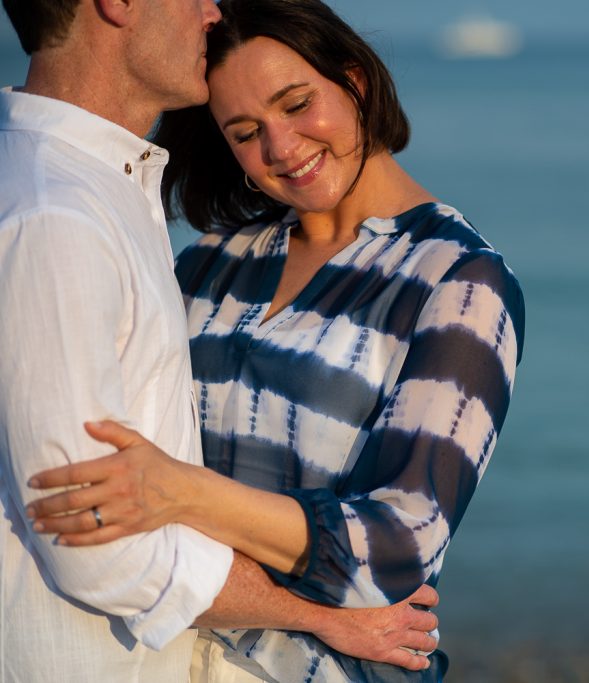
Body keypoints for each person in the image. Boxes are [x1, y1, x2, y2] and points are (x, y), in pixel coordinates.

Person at [23, 0, 526, 681]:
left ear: (356, 83)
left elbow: (399, 546)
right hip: (170, 654)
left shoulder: (458, 280)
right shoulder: (213, 260)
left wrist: (183, 492)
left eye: (297, 104)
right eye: (244, 131)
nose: (282, 148)